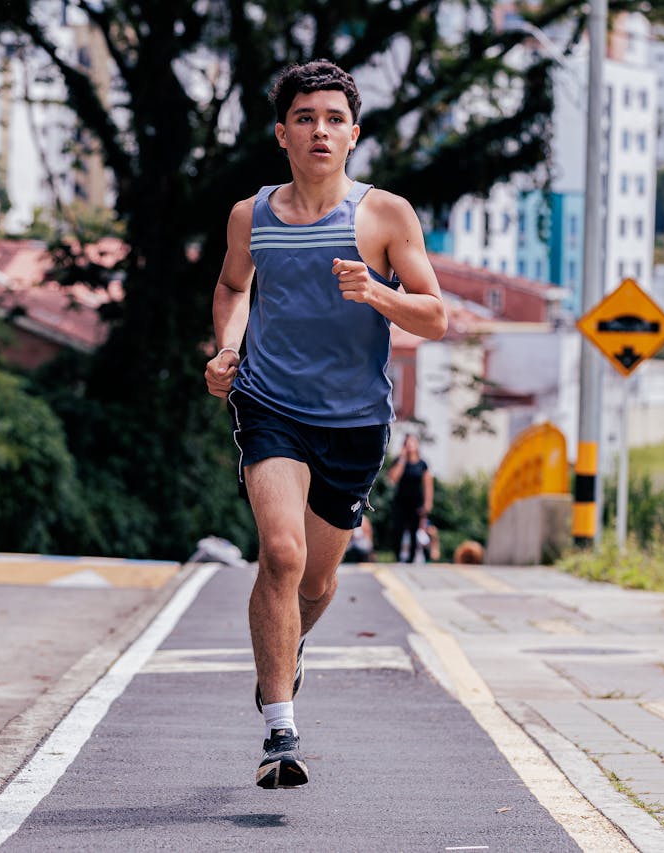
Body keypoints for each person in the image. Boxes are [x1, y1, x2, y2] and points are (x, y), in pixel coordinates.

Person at [203, 59, 447, 789]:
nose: (320, 130)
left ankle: (288, 648)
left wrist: (377, 292)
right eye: (305, 118)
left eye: (334, 119)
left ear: (354, 134)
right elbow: (231, 285)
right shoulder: (252, 215)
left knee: (315, 580)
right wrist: (227, 347)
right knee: (278, 553)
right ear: (282, 133)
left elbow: (434, 316)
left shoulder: (384, 216)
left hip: (354, 420)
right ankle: (281, 725)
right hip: (270, 401)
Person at [387, 434, 433, 563]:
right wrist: (402, 459)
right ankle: (397, 557)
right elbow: (393, 479)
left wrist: (427, 504)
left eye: (413, 442)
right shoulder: (399, 461)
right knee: (397, 530)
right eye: (408, 442)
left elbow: (428, 485)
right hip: (400, 502)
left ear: (417, 445)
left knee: (414, 532)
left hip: (416, 503)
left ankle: (411, 560)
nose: (410, 445)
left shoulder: (423, 464)